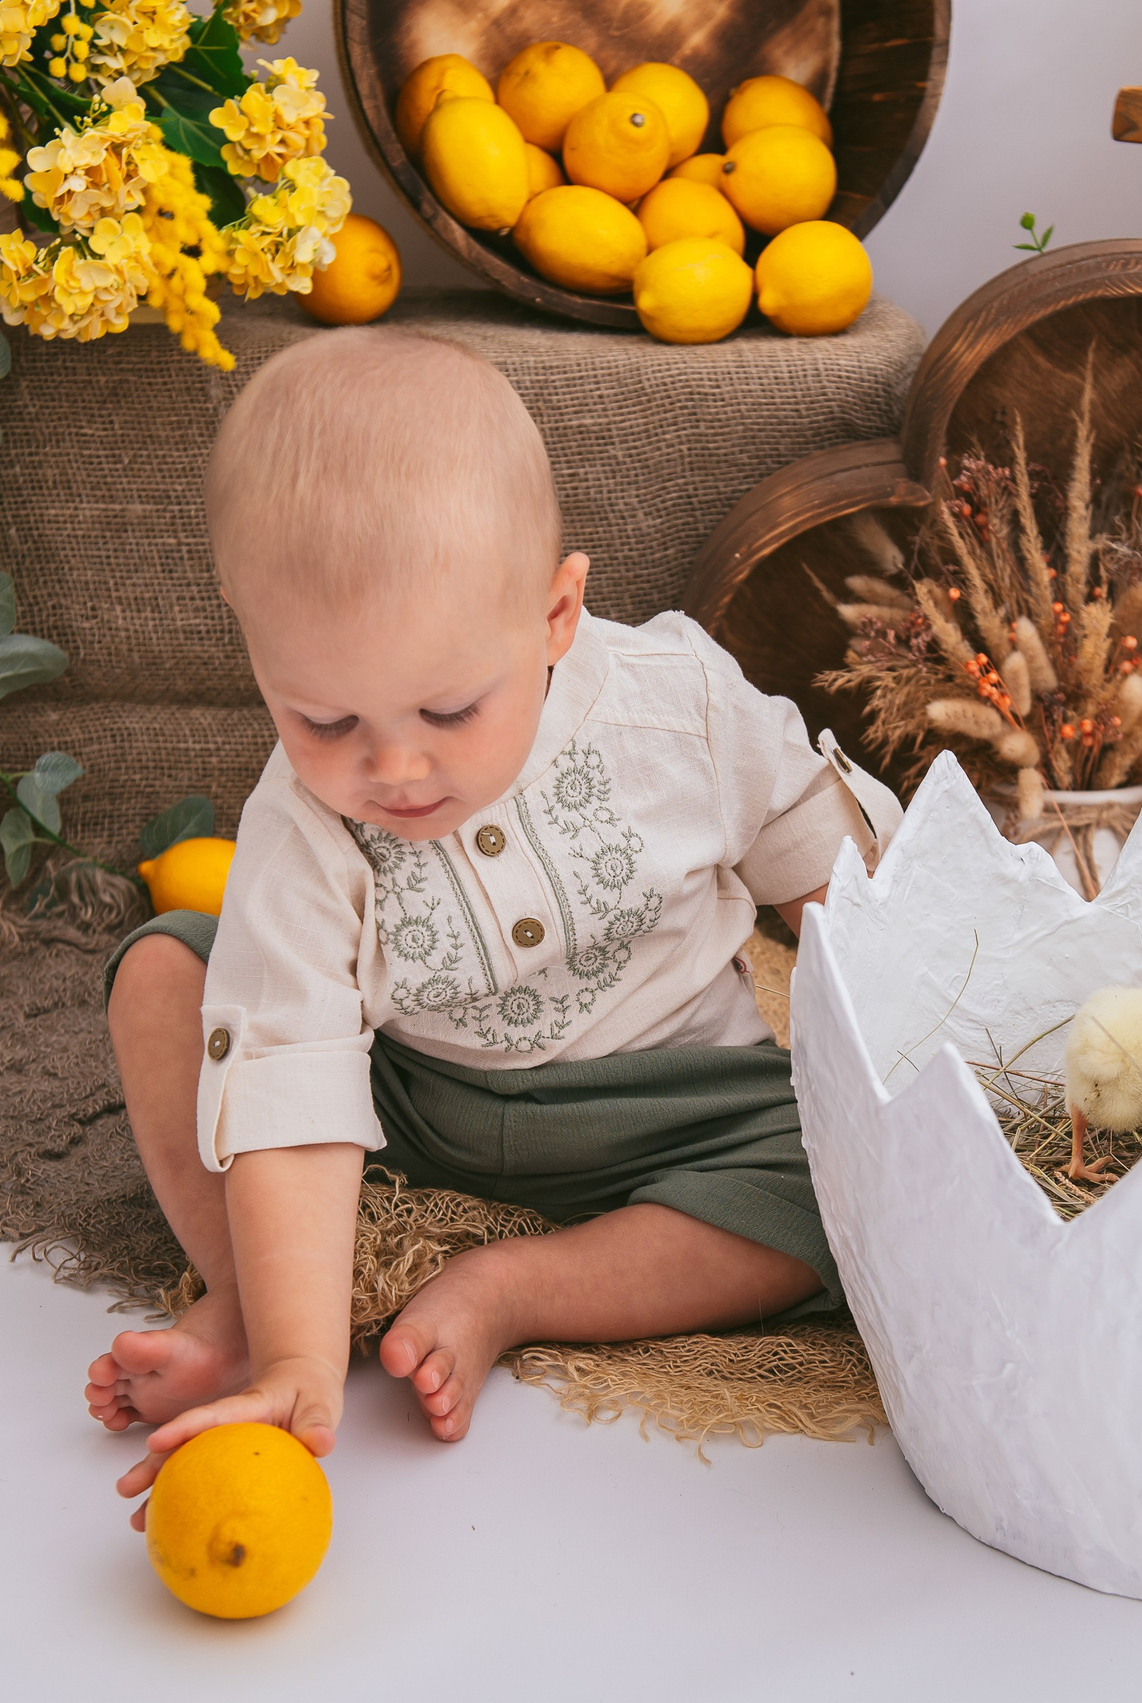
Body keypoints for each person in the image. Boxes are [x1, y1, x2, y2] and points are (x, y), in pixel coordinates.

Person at [86, 326, 881, 1522]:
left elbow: (832, 876)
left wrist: (926, 1038)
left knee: (849, 1180)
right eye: (320, 715)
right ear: (247, 640)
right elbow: (298, 1076)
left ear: (556, 612)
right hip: (409, 1096)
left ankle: (520, 1286)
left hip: (680, 1097)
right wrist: (304, 1367)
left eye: (450, 707)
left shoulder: (678, 709)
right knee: (163, 975)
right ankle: (255, 1300)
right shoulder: (302, 826)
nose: (391, 766)